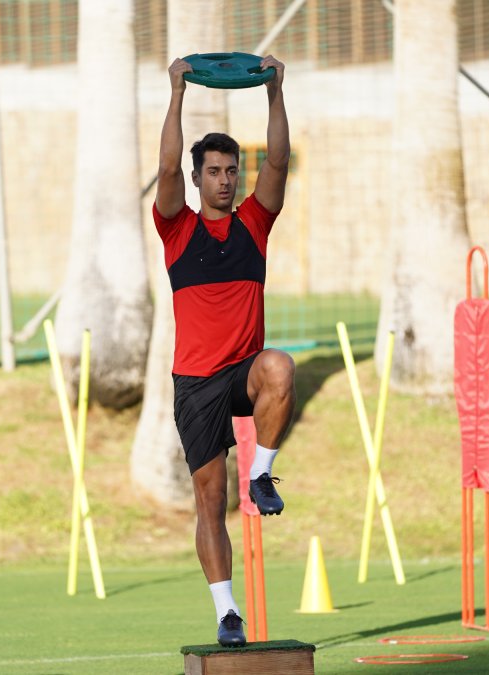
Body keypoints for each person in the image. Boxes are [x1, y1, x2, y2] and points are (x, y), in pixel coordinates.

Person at [155, 55, 295, 647]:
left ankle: (261, 473)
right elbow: (165, 165)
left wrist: (274, 91)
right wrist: (177, 91)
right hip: (195, 384)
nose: (225, 180)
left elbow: (279, 160)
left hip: (242, 373)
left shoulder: (255, 224)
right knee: (210, 501)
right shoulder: (176, 228)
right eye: (214, 171)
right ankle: (227, 612)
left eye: (232, 171)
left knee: (279, 365)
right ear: (197, 179)